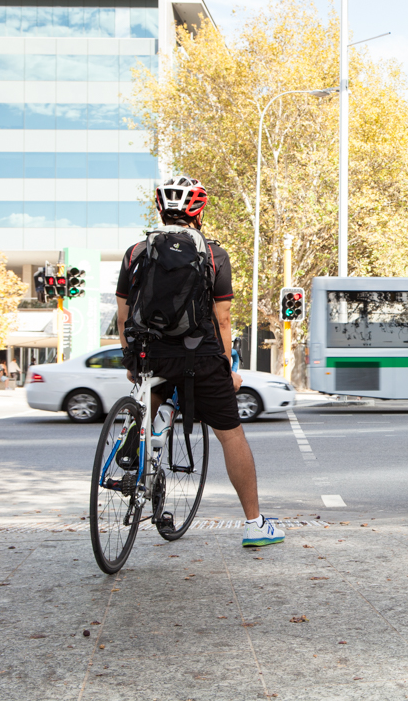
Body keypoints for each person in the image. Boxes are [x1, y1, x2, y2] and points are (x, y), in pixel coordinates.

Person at [116, 176, 284, 549]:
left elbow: (123, 314)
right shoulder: (213, 254)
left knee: (148, 400)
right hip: (201, 357)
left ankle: (132, 446)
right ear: (198, 211)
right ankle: (255, 525)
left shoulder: (134, 253)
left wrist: (131, 359)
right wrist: (227, 370)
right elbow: (222, 319)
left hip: (152, 354)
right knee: (230, 434)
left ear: (160, 209)